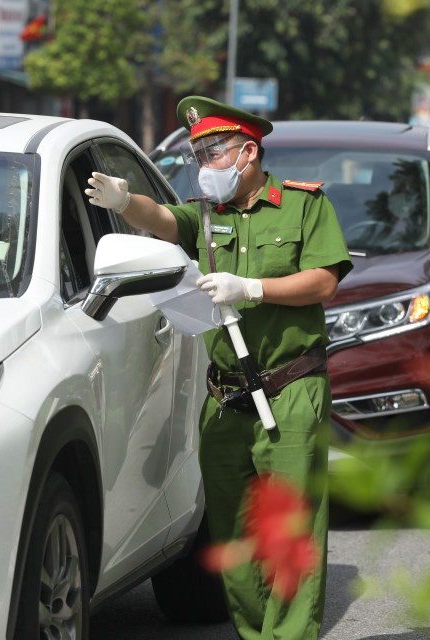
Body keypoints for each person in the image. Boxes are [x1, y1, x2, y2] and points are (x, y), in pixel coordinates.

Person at [85, 96, 353, 640]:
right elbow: (161, 220)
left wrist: (252, 287)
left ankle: (290, 635)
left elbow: (324, 281)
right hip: (227, 397)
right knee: (232, 531)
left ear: (248, 152)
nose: (204, 166)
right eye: (197, 155)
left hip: (291, 388)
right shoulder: (206, 215)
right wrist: (123, 200)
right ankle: (255, 632)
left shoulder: (303, 206)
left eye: (212, 152)